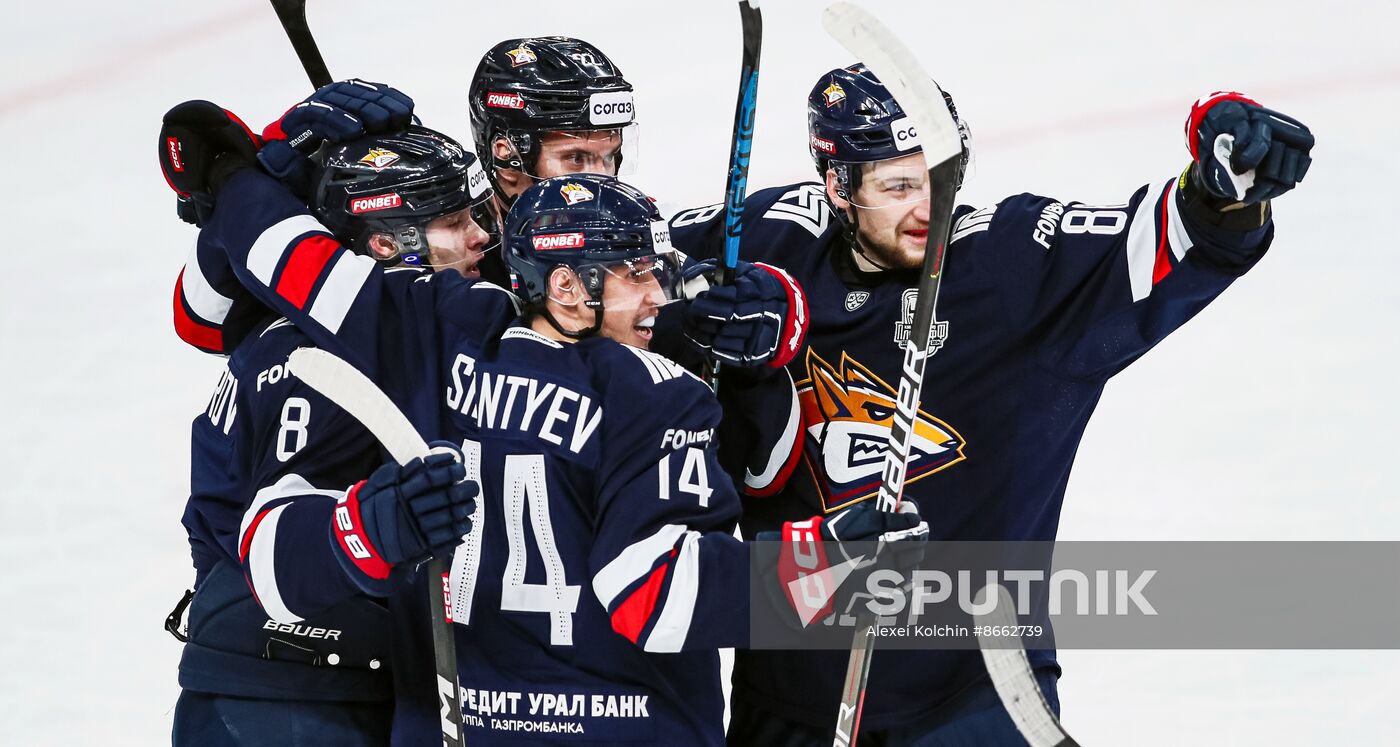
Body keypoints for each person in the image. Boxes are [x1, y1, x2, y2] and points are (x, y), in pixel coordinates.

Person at [177, 133, 926, 745]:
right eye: (637, 273)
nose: (658, 296)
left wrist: (232, 168)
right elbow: (655, 592)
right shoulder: (656, 391)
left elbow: (296, 262)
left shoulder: (437, 332)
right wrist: (826, 572)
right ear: (566, 287)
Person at [664, 66, 1316, 744]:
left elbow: (1177, 239)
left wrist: (1224, 191)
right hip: (789, 697)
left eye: (942, 177)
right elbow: (613, 269)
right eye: (898, 186)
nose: (930, 207)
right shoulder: (770, 242)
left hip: (973, 695)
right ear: (838, 187)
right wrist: (700, 310)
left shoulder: (1012, 262)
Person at [162, 83, 496, 746]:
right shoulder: (347, 344)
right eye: (454, 221)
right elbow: (273, 545)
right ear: (385, 243)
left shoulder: (315, 317)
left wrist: (248, 174)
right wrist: (369, 529)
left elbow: (206, 308)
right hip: (283, 692)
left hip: (319, 681)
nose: (482, 237)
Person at [467, 36, 640, 218]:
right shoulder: (462, 244)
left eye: (609, 156)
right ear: (507, 161)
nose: (603, 180)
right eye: (576, 159)